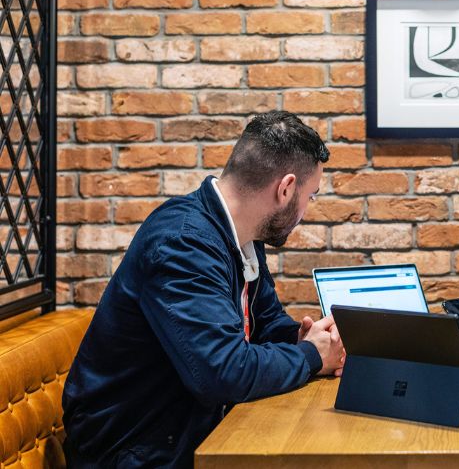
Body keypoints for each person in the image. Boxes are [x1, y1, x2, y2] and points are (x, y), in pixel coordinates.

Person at [62, 111, 345, 468]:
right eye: (311, 197)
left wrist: (303, 337)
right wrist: (310, 356)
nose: (306, 210)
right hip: (131, 449)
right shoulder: (183, 243)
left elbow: (265, 322)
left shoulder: (242, 233)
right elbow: (222, 373)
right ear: (286, 188)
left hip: (184, 431)